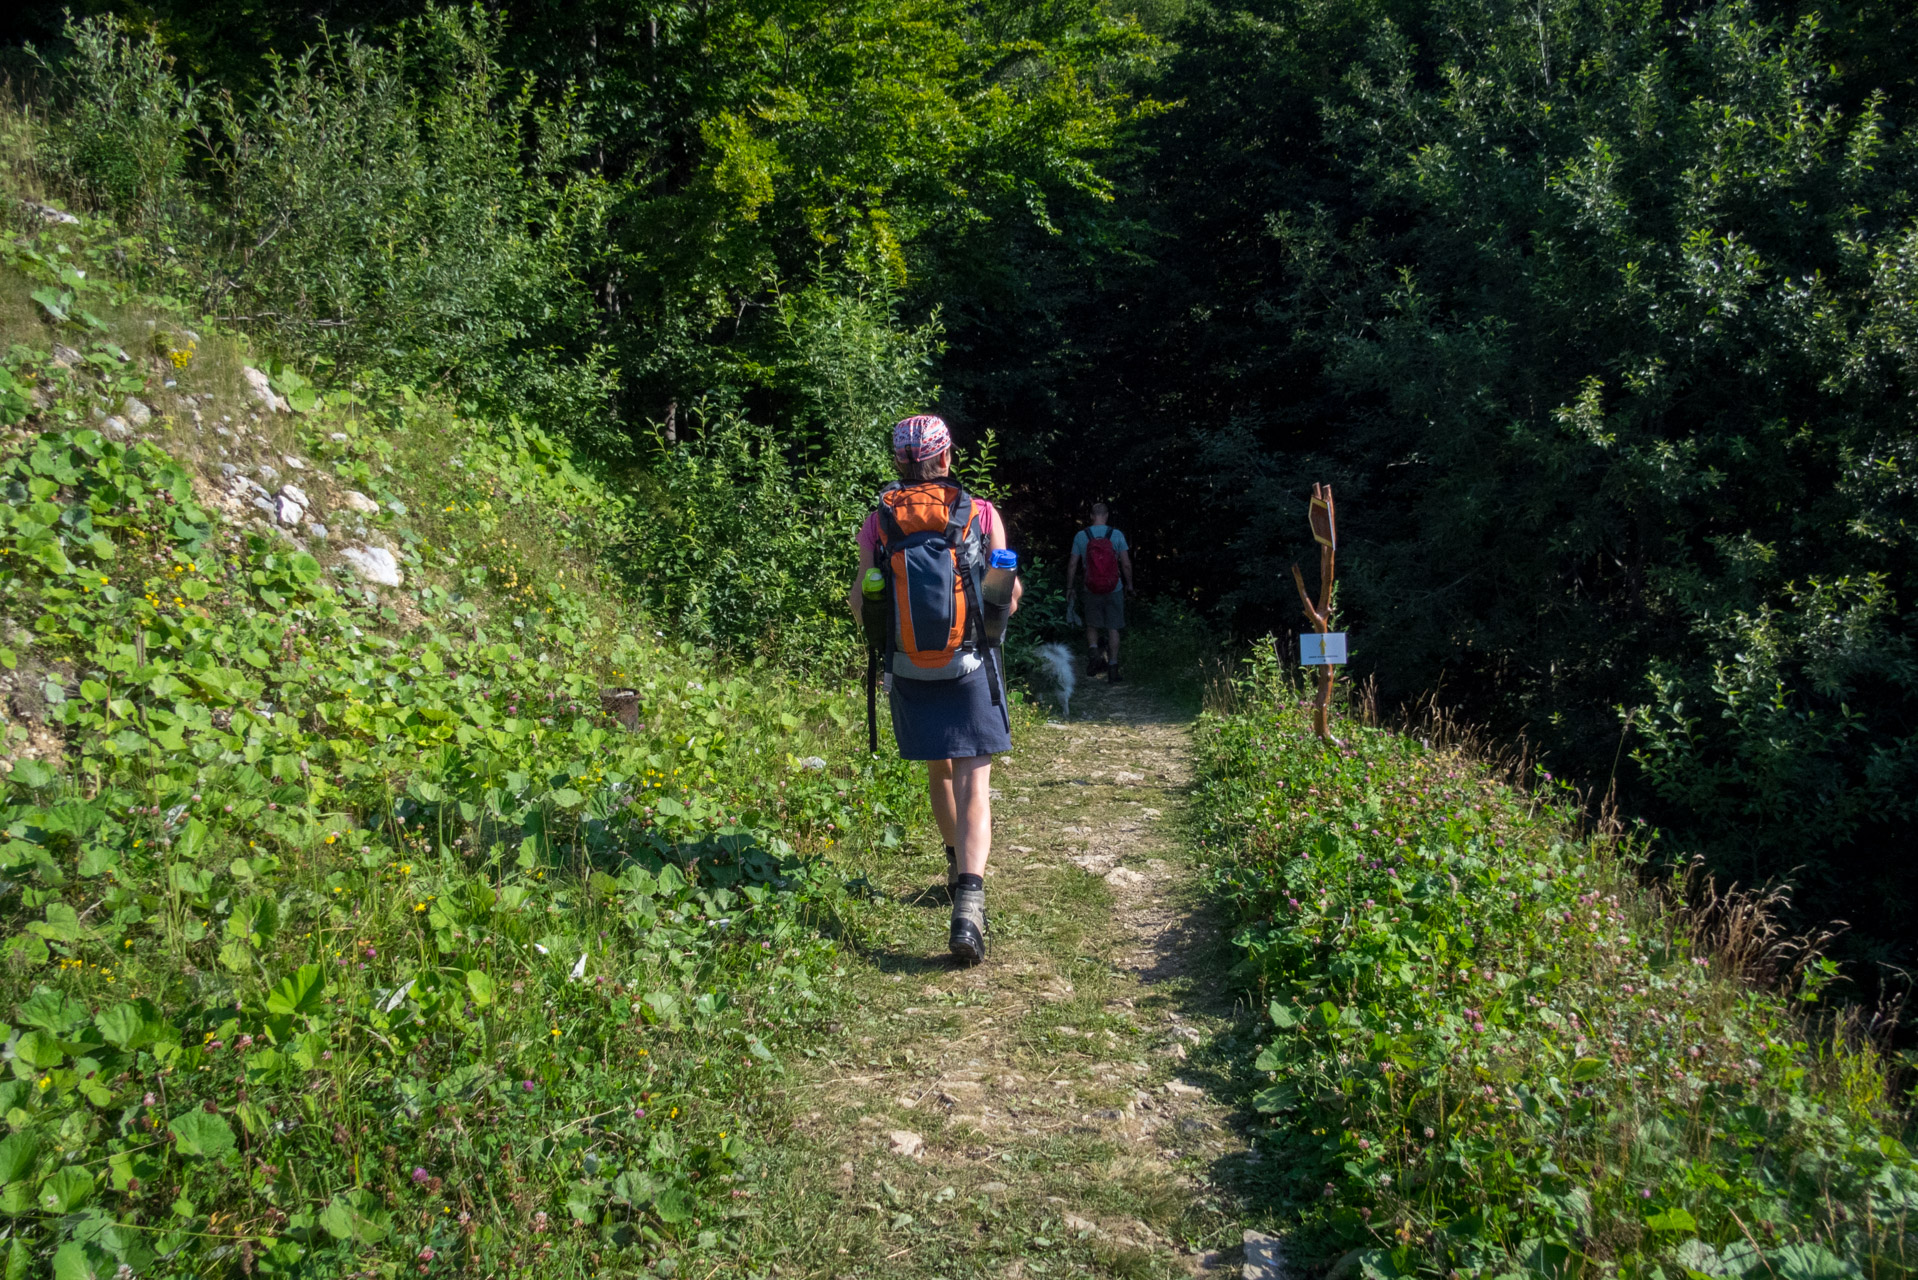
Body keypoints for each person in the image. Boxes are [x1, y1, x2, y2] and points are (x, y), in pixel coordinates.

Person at [849, 415, 1021, 964]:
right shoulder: (981, 513)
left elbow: (861, 602)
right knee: (974, 776)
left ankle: (952, 864)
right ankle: (969, 902)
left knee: (939, 767)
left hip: (909, 668)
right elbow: (1006, 595)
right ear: (946, 458)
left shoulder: (878, 522)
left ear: (898, 461)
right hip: (970, 664)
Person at [1065, 502, 1133, 683]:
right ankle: (1112, 667)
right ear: (1107, 515)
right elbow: (1125, 564)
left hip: (1090, 588)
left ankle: (1094, 654)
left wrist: (1070, 588)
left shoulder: (1081, 536)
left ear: (1091, 516)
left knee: (1092, 625)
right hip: (1114, 587)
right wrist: (1130, 585)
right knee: (1113, 627)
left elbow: (1073, 564)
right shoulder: (1116, 535)